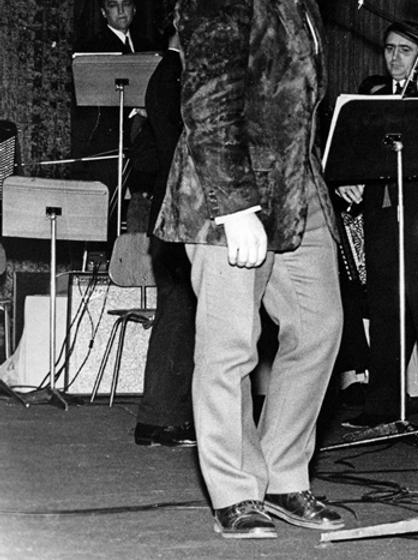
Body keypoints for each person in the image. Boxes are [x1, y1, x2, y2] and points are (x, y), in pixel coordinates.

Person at [154, 0, 343, 538]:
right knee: (231, 342)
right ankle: (235, 490)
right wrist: (235, 209)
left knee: (320, 325)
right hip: (227, 191)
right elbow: (208, 102)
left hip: (296, 189)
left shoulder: (303, 6)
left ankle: (284, 475)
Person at [337, 22, 418, 429]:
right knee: (385, 306)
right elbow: (350, 152)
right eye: (389, 49)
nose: (395, 58)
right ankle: (383, 405)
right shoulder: (372, 101)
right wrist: (347, 177)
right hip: (381, 214)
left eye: (404, 50)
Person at [132, 27, 196, 448]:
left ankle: (163, 416)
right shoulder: (175, 75)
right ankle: (161, 418)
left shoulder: (164, 75)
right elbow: (180, 145)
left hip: (169, 209)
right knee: (180, 312)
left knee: (179, 311)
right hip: (180, 211)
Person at [72, 0, 158, 224]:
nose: (121, 11)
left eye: (126, 4)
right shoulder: (90, 48)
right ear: (103, 12)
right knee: (106, 217)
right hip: (108, 144)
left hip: (145, 146)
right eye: (113, 5)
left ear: (135, 9)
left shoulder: (149, 46)